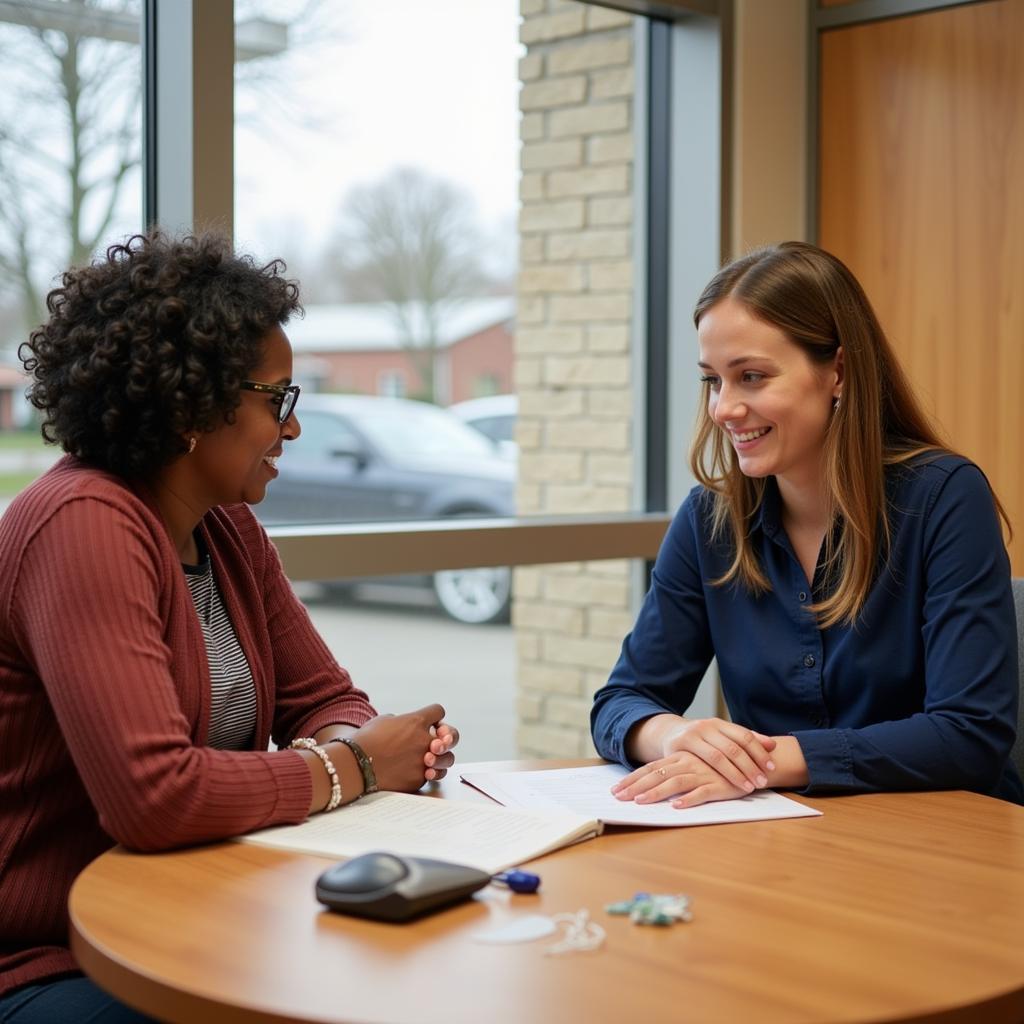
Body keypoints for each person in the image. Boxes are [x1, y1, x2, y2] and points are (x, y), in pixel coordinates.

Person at [0, 231, 460, 1022]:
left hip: (193, 912)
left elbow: (326, 698)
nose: (292, 430)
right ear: (190, 404)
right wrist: (355, 766)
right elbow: (155, 797)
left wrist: (357, 746)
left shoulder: (225, 526)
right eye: (276, 399)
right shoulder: (82, 525)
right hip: (51, 956)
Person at [592, 241, 1022, 809]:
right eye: (713, 381)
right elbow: (622, 700)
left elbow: (969, 734)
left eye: (751, 376)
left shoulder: (943, 496)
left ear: (837, 372)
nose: (723, 408)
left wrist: (759, 765)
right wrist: (673, 733)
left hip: (942, 840)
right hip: (788, 839)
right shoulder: (708, 521)